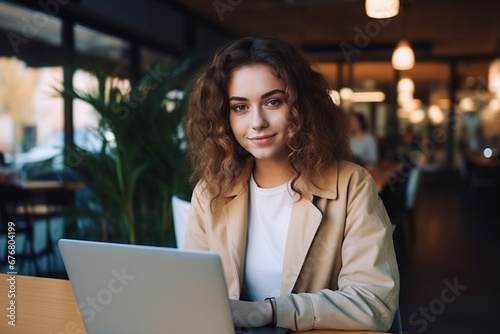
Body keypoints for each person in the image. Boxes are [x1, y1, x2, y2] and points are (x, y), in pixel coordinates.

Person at [184, 36, 399, 332]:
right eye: (240, 107)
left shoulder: (351, 184)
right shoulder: (210, 193)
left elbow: (374, 303)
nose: (257, 121)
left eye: (273, 102)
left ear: (301, 106)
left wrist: (269, 310)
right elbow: (193, 297)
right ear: (224, 116)